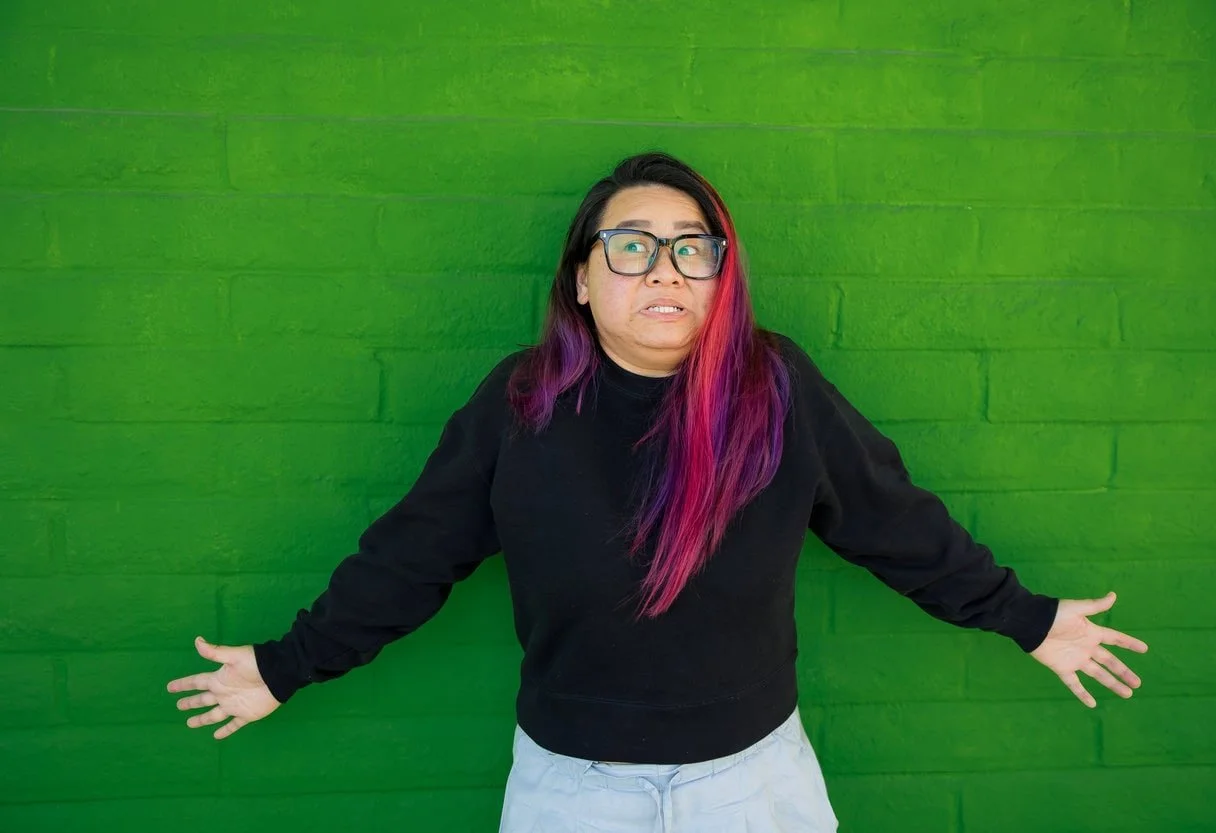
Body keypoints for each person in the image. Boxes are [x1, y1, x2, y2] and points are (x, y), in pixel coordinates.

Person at [167, 151, 1148, 832]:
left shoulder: (777, 389)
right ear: (582, 280)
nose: (664, 268)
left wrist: (1025, 616)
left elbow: (892, 519)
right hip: (571, 791)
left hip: (753, 784)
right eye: (629, 245)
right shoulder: (517, 406)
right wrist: (283, 663)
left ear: (722, 278)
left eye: (692, 246)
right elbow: (410, 556)